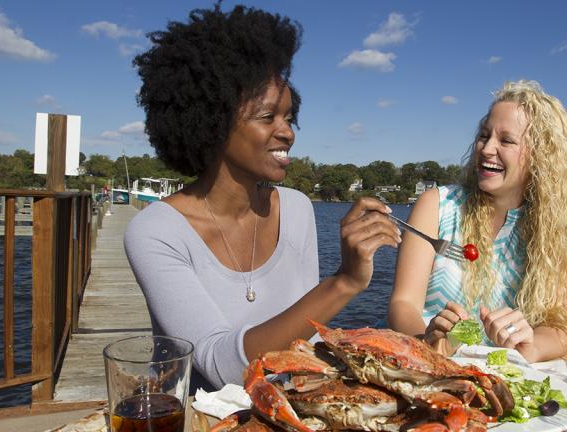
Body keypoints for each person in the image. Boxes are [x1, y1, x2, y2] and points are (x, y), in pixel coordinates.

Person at [125, 4, 401, 391]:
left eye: (289, 118)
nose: (287, 132)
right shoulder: (156, 231)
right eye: (267, 117)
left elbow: (308, 343)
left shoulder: (297, 208)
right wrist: (343, 282)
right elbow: (219, 368)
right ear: (212, 122)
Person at [387, 80, 567, 362]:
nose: (486, 148)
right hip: (423, 365)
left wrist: (531, 346)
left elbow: (564, 329)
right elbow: (403, 303)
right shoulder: (437, 205)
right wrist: (426, 342)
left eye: (506, 140)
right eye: (484, 136)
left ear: (542, 159)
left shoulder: (553, 231)